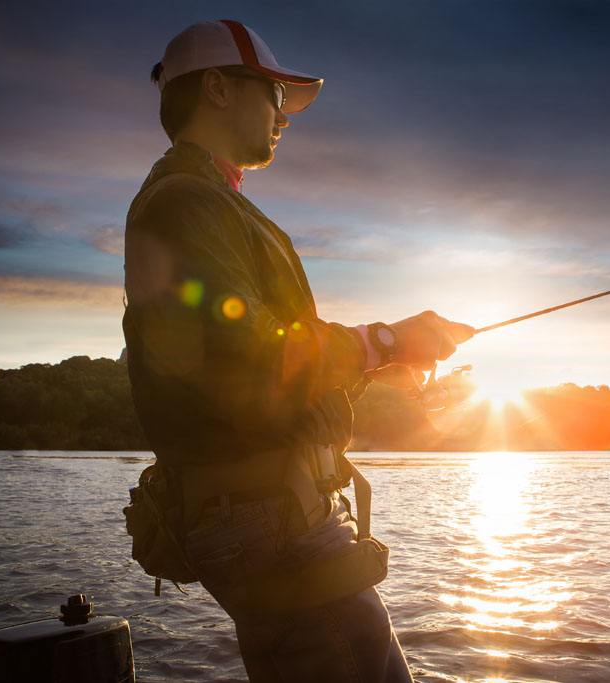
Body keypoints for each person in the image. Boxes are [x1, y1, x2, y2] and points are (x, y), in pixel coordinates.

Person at [123, 19, 473, 682]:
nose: (285, 116)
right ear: (219, 89)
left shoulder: (207, 204)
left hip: (272, 511)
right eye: (274, 96)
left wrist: (381, 357)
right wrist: (384, 339)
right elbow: (244, 354)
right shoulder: (183, 205)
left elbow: (265, 376)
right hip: (268, 519)